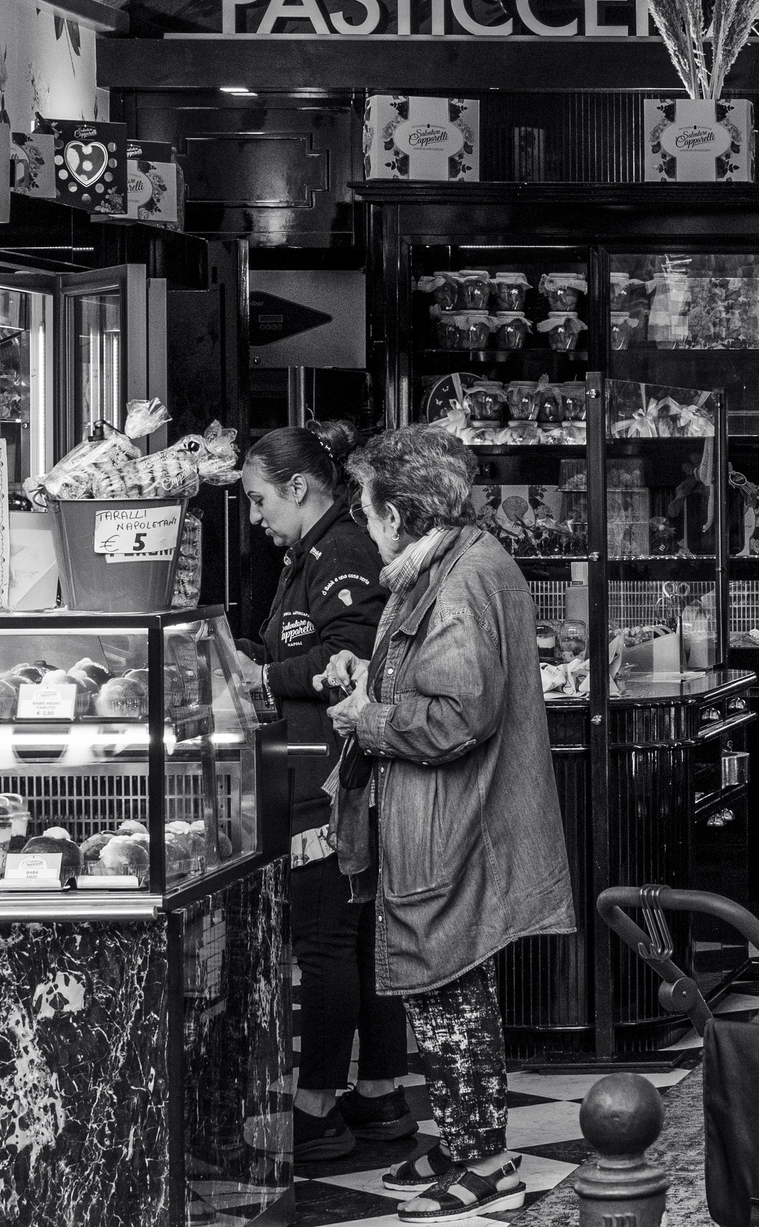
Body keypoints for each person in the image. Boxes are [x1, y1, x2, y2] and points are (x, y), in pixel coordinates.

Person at [325, 424, 575, 1220]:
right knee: (445, 991)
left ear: (398, 511)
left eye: (366, 507)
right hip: (445, 818)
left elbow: (456, 713)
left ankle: (486, 1161)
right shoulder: (446, 562)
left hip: (454, 821)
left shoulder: (462, 575)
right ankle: (464, 1141)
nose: (362, 523)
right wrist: (371, 677)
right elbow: (427, 679)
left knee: (453, 991)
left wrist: (369, 715)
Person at [236, 421, 414, 1164]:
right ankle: (379, 1092)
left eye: (257, 500)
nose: (254, 516)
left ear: (299, 487)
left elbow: (356, 654)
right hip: (333, 767)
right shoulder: (314, 548)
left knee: (326, 942)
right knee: (360, 939)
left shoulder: (337, 549)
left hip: (334, 774)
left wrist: (265, 677)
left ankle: (316, 1109)